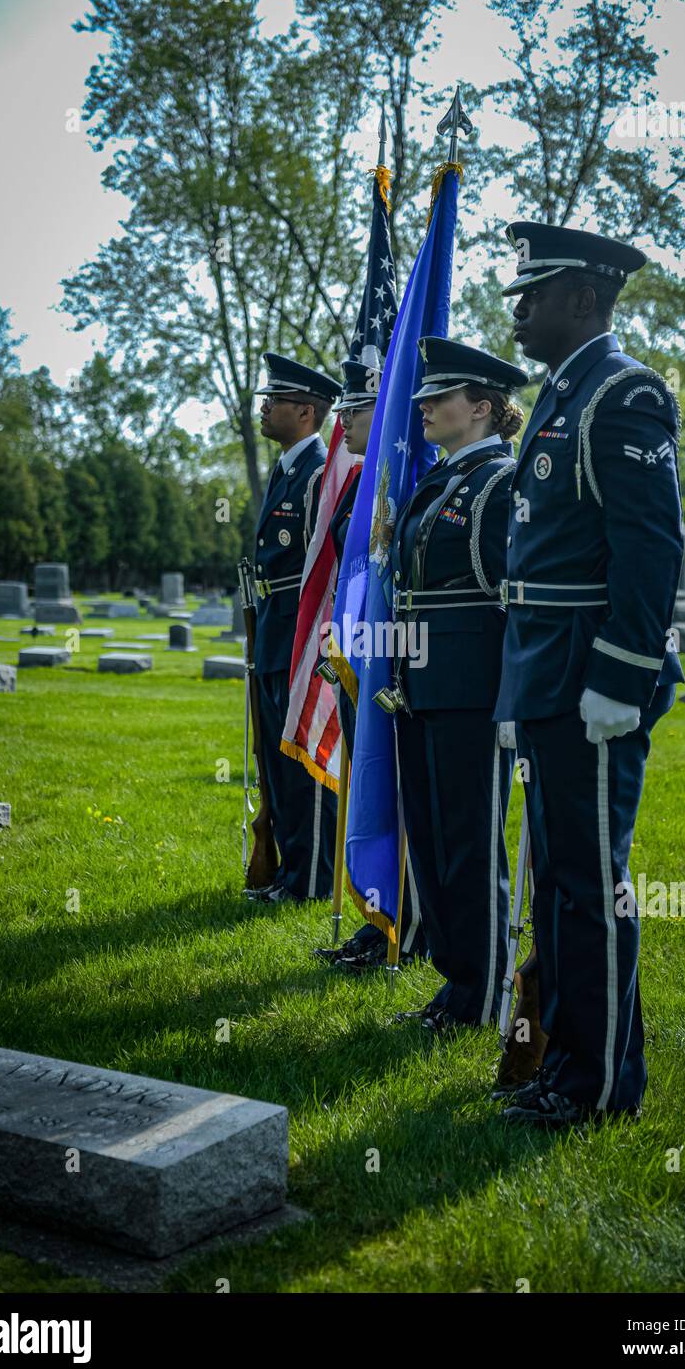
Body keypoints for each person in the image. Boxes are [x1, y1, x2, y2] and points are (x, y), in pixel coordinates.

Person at [493, 222, 685, 1125]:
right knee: (561, 882)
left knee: (589, 883)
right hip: (545, 672)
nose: (518, 309)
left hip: (589, 678)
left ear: (582, 298)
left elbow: (649, 548)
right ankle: (566, 1063)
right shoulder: (563, 395)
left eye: (532, 294)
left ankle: (599, 1086)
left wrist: (622, 672)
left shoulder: (622, 392)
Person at [383, 337, 529, 1033]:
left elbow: (516, 598)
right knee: (435, 839)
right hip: (420, 681)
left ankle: (484, 992)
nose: (423, 409)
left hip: (474, 687)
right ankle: (455, 983)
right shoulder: (438, 481)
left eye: (437, 398)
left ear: (480, 408)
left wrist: (512, 695)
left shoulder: (501, 483)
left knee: (470, 842)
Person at [312, 359, 427, 971]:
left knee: (395, 790)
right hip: (359, 648)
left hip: (390, 655)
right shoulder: (359, 480)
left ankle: (405, 924)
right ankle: (378, 916)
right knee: (369, 788)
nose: (342, 422)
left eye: (352, 411)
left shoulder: (393, 475)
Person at [245, 353, 341, 905]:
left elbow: (319, 569)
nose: (265, 408)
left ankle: (309, 880)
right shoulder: (287, 469)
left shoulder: (317, 476)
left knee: (302, 757)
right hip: (272, 629)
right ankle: (288, 871)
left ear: (306, 412)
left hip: (301, 632)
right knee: (276, 758)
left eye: (275, 401)